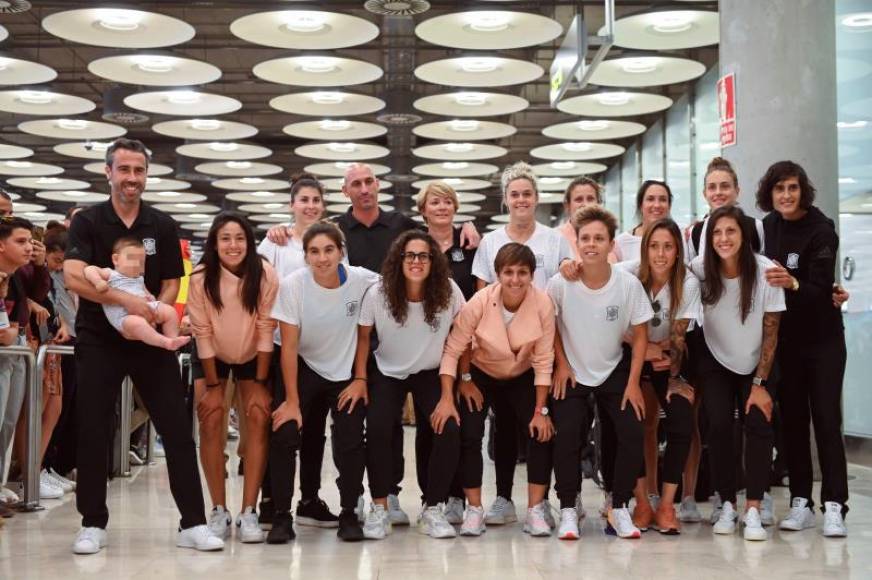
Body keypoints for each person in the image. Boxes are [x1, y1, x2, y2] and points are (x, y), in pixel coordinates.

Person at [268, 163, 479, 526]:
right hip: (370, 355)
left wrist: (466, 226)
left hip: (414, 353)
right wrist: (284, 230)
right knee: (372, 427)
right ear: (346, 190)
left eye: (369, 182)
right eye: (356, 184)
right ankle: (369, 501)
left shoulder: (404, 230)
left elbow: (431, 238)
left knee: (437, 426)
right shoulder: (335, 235)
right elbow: (360, 331)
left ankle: (430, 504)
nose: (364, 188)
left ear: (378, 185)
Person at [63, 138, 223, 554]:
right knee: (94, 428)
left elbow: (171, 281)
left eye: (139, 171)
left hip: (151, 341)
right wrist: (127, 302)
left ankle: (193, 523)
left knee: (175, 427)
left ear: (146, 175)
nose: (132, 178)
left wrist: (154, 312)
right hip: (99, 339)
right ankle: (92, 522)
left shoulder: (161, 225)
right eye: (124, 170)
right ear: (108, 172)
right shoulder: (88, 221)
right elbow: (75, 277)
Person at [471, 161, 572, 526]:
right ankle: (501, 498)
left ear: (537, 198)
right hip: (498, 353)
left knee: (539, 422)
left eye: (527, 193)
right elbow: (481, 297)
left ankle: (539, 502)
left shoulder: (554, 240)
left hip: (540, 348)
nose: (521, 199)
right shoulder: (491, 241)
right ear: (505, 200)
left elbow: (565, 292)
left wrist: (560, 357)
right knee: (502, 427)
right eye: (514, 194)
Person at [268, 222, 378, 543]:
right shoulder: (294, 285)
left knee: (349, 437)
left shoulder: (362, 280)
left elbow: (366, 330)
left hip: (346, 371)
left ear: (341, 252)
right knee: (287, 432)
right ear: (305, 257)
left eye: (329, 250)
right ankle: (282, 515)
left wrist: (360, 378)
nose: (322, 258)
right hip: (303, 365)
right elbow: (288, 346)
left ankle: (348, 513)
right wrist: (290, 401)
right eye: (314, 251)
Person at [756, 161, 849, 537]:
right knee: (792, 422)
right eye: (779, 189)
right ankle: (800, 502)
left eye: (792, 188)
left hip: (824, 342)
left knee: (826, 420)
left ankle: (834, 504)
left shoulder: (822, 230)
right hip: (786, 344)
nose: (786, 196)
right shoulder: (766, 229)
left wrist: (793, 284)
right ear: (770, 193)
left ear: (803, 190)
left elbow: (821, 291)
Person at [549, 206, 652, 540]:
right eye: (585, 238)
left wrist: (634, 383)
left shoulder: (627, 283)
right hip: (572, 369)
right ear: (576, 242)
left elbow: (639, 335)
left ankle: (618, 505)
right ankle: (568, 506)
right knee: (566, 433)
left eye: (599, 238)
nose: (591, 244)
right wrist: (561, 363)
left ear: (611, 244)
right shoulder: (560, 283)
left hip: (614, 367)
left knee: (632, 430)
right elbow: (548, 325)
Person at [355, 231, 465, 539]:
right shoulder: (378, 293)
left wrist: (458, 386)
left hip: (431, 370)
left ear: (434, 261)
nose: (416, 261)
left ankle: (433, 507)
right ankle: (379, 507)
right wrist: (361, 379)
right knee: (377, 427)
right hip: (388, 369)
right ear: (399, 260)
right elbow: (363, 338)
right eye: (410, 255)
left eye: (423, 256)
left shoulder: (448, 291)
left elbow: (463, 337)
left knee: (449, 427)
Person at [441, 243, 555, 537]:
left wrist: (541, 411)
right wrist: (464, 381)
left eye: (522, 273)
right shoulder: (479, 301)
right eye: (508, 272)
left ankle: (535, 510)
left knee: (539, 432)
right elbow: (456, 347)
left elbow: (544, 359)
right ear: (497, 274)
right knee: (470, 433)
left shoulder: (542, 304)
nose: (515, 279)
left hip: (521, 373)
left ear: (531, 275)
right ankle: (475, 510)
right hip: (481, 371)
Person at [689, 205, 785, 542]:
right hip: (715, 358)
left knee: (758, 423)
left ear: (744, 235)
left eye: (731, 231)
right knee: (717, 425)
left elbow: (771, 331)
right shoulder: (701, 270)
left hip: (757, 361)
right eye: (717, 232)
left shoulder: (765, 271)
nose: (723, 238)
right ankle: (726, 502)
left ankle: (754, 507)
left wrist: (760, 384)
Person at [186, 212, 278, 544]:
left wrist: (260, 385)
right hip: (212, 354)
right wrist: (213, 387)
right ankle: (219, 509)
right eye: (225, 238)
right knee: (210, 418)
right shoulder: (199, 277)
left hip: (254, 354)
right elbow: (202, 332)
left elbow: (267, 329)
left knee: (258, 415)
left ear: (249, 243)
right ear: (214, 243)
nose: (233, 245)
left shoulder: (265, 273)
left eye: (240, 238)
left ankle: (249, 510)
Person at [258, 173, 341, 530]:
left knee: (315, 431)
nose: (309, 205)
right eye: (303, 199)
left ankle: (309, 498)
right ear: (292, 204)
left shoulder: (334, 243)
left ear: (323, 206)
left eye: (315, 200)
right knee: (282, 427)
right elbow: (259, 291)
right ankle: (272, 502)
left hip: (322, 351)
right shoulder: (275, 242)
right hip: (283, 348)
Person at [619, 219, 701, 535]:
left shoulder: (688, 283)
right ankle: (641, 502)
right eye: (654, 246)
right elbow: (619, 326)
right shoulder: (628, 274)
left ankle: (667, 505)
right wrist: (645, 348)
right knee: (633, 420)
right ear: (644, 249)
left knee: (681, 419)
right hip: (636, 352)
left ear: (678, 250)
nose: (661, 254)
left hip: (672, 358)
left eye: (668, 246)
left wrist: (675, 376)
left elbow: (679, 336)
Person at [413, 182, 476, 524]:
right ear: (423, 209)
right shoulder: (416, 247)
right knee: (429, 427)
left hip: (464, 348)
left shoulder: (469, 247)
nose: (441, 207)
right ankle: (430, 497)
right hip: (426, 349)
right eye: (434, 202)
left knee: (462, 426)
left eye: (448, 201)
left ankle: (457, 496)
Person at [84, 237, 189, 351]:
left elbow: (144, 291)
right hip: (123, 316)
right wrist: (98, 281)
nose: (137, 264)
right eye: (131, 259)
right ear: (116, 259)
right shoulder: (111, 274)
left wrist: (151, 299)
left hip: (145, 308)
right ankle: (164, 342)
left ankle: (172, 337)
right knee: (138, 324)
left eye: (141, 261)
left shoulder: (139, 278)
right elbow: (89, 269)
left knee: (170, 311)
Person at [0, 216, 35, 519]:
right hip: (5, 354)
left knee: (6, 423)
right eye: (21, 242)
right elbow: (4, 332)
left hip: (13, 354)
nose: (28, 248)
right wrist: (10, 330)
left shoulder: (14, 277)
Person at [614, 180, 672, 262]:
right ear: (640, 205)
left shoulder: (682, 235)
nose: (657, 205)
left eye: (663, 199)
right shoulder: (621, 242)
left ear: (669, 206)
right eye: (650, 199)